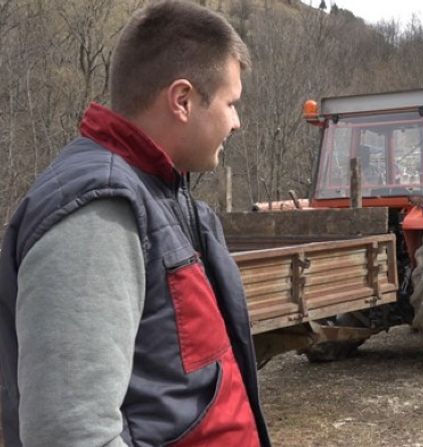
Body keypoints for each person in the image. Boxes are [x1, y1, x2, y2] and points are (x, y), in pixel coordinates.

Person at [0, 2, 271, 446]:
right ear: (182, 100)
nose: (237, 122)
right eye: (230, 103)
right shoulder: (98, 209)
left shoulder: (159, 193)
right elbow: (70, 433)